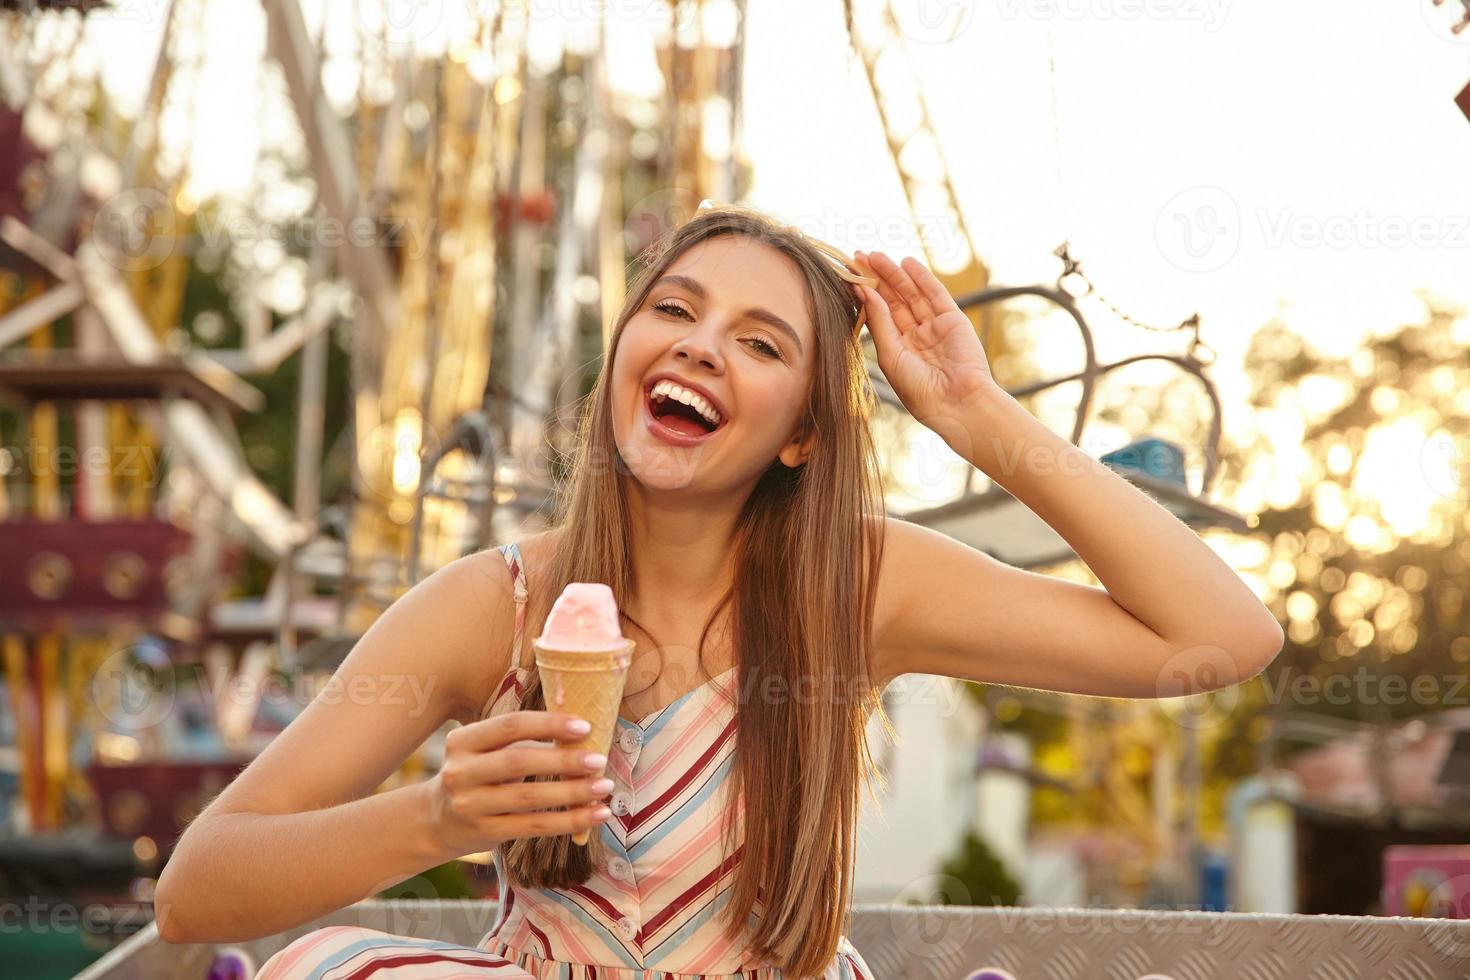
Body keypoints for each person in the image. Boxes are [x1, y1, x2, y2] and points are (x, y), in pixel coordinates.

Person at [156, 202, 1283, 977]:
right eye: (675, 308)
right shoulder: (489, 605)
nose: (699, 346)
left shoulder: (861, 582)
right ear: (625, 351)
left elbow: (1220, 636)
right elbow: (197, 890)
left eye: (758, 340)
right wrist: (437, 815)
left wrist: (980, 418)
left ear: (802, 434)